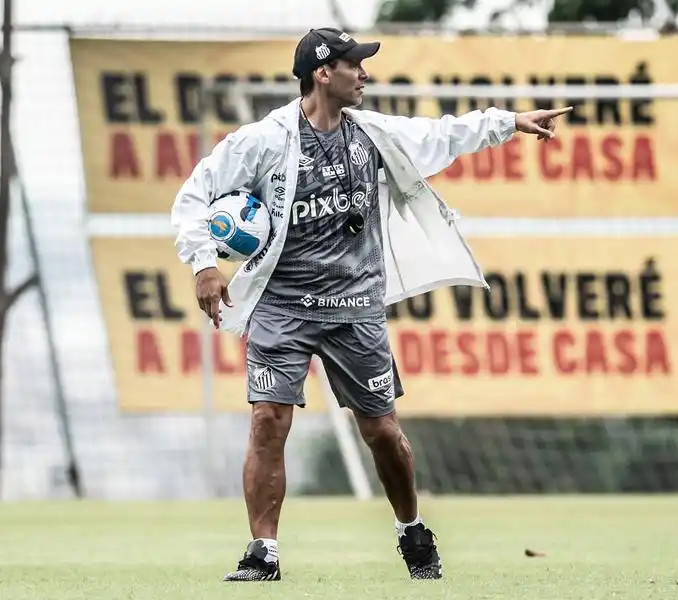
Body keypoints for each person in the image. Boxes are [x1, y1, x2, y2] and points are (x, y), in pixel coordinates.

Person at [171, 27, 571, 582]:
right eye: (354, 64)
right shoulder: (264, 141)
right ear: (322, 73)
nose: (364, 73)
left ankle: (411, 529)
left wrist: (508, 123)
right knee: (268, 421)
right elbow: (195, 191)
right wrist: (203, 263)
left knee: (382, 432)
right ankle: (263, 552)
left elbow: (440, 135)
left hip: (355, 308)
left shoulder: (373, 133)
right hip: (281, 307)